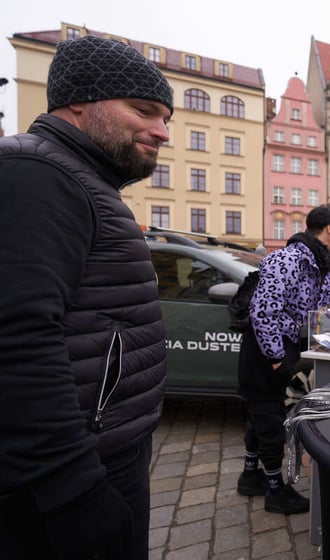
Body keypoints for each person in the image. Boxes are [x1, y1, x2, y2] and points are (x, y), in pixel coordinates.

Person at [0, 35, 172, 559]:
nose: (162, 132)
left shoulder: (82, 178)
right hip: (72, 477)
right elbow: (18, 340)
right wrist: (73, 491)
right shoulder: (39, 172)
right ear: (79, 100)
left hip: (107, 453)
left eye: (166, 118)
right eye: (142, 111)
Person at [237, 205, 330, 514]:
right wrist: (275, 356)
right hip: (264, 349)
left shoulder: (319, 265)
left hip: (282, 347)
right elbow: (263, 311)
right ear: (329, 229)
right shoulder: (289, 259)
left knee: (261, 413)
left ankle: (250, 476)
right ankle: (275, 491)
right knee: (269, 417)